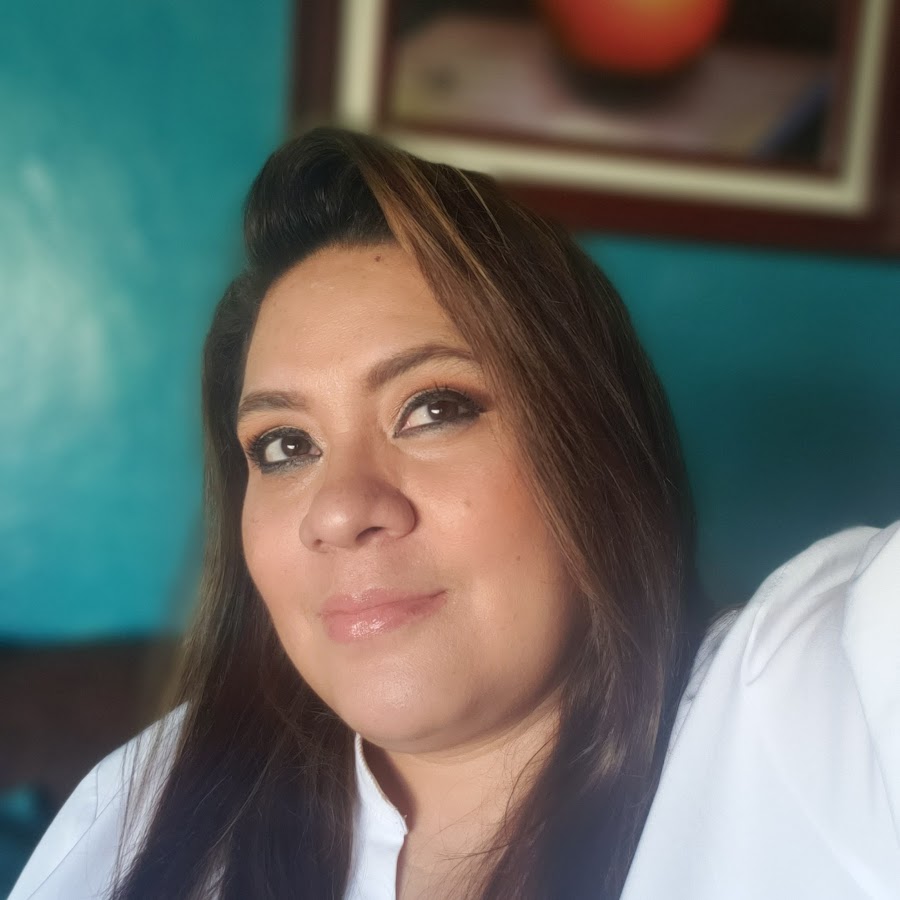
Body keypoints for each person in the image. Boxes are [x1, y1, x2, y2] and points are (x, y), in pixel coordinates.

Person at [9, 128, 899, 900]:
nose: (340, 511)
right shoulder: (144, 808)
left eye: (435, 407)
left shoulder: (811, 701)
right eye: (284, 445)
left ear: (596, 443)